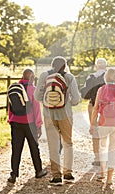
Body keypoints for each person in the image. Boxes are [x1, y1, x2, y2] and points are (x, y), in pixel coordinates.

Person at [34, 56, 80, 186]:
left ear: (52, 65)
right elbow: (76, 99)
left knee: (53, 145)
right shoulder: (70, 77)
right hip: (66, 115)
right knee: (68, 143)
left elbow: (37, 96)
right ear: (65, 66)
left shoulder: (44, 76)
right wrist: (67, 103)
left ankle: (56, 176)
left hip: (49, 115)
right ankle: (68, 173)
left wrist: (49, 102)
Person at [7, 68, 47, 183]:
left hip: (15, 123)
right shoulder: (33, 89)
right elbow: (36, 109)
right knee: (34, 147)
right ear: (32, 78)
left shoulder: (14, 88)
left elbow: (10, 106)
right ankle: (38, 171)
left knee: (16, 149)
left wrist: (10, 119)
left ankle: (13, 175)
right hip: (29, 124)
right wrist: (39, 125)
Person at [81, 58, 107, 166]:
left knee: (94, 130)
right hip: (106, 107)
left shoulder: (91, 77)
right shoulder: (109, 76)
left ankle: (97, 158)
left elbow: (85, 95)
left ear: (96, 66)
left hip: (92, 105)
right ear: (105, 67)